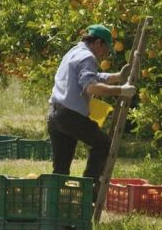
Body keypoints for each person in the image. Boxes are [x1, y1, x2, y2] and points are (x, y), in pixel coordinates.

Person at [47, 24, 136, 198]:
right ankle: (89, 191)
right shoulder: (88, 57)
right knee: (103, 143)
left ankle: (54, 208)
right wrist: (121, 90)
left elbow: (91, 76)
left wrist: (116, 76)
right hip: (70, 116)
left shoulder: (73, 52)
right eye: (105, 48)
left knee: (60, 169)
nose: (105, 54)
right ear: (97, 42)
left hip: (54, 115)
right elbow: (92, 87)